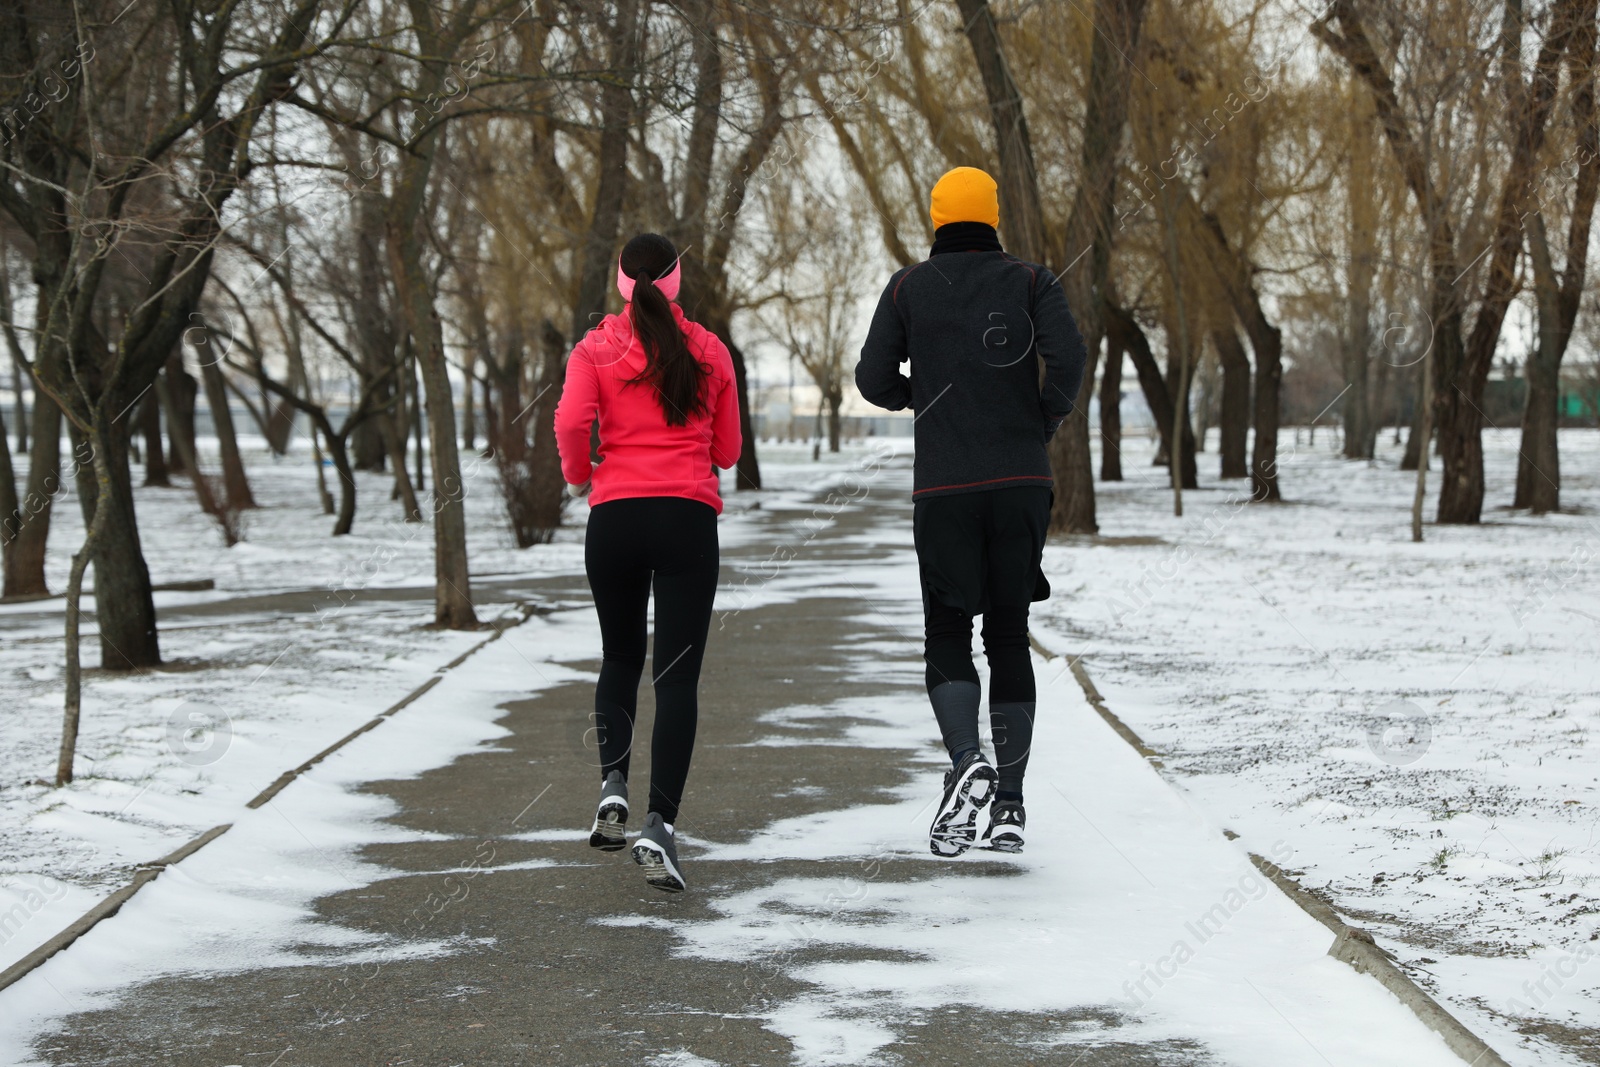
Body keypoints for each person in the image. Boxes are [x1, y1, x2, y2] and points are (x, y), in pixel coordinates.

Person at [856, 167, 1087, 857]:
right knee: (1010, 635)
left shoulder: (906, 288)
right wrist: (1039, 418)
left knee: (948, 629)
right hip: (1021, 480)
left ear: (935, 217)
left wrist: (919, 396)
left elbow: (871, 378)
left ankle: (966, 762)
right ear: (992, 214)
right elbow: (1069, 357)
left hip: (945, 488)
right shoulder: (1032, 281)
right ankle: (1010, 805)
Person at [554, 232, 742, 893]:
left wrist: (583, 474)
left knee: (620, 657)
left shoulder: (595, 347)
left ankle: (613, 782)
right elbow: (728, 450)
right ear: (676, 280)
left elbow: (572, 421)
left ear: (621, 282)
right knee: (677, 678)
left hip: (616, 520)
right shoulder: (711, 350)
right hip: (687, 518)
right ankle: (660, 825)